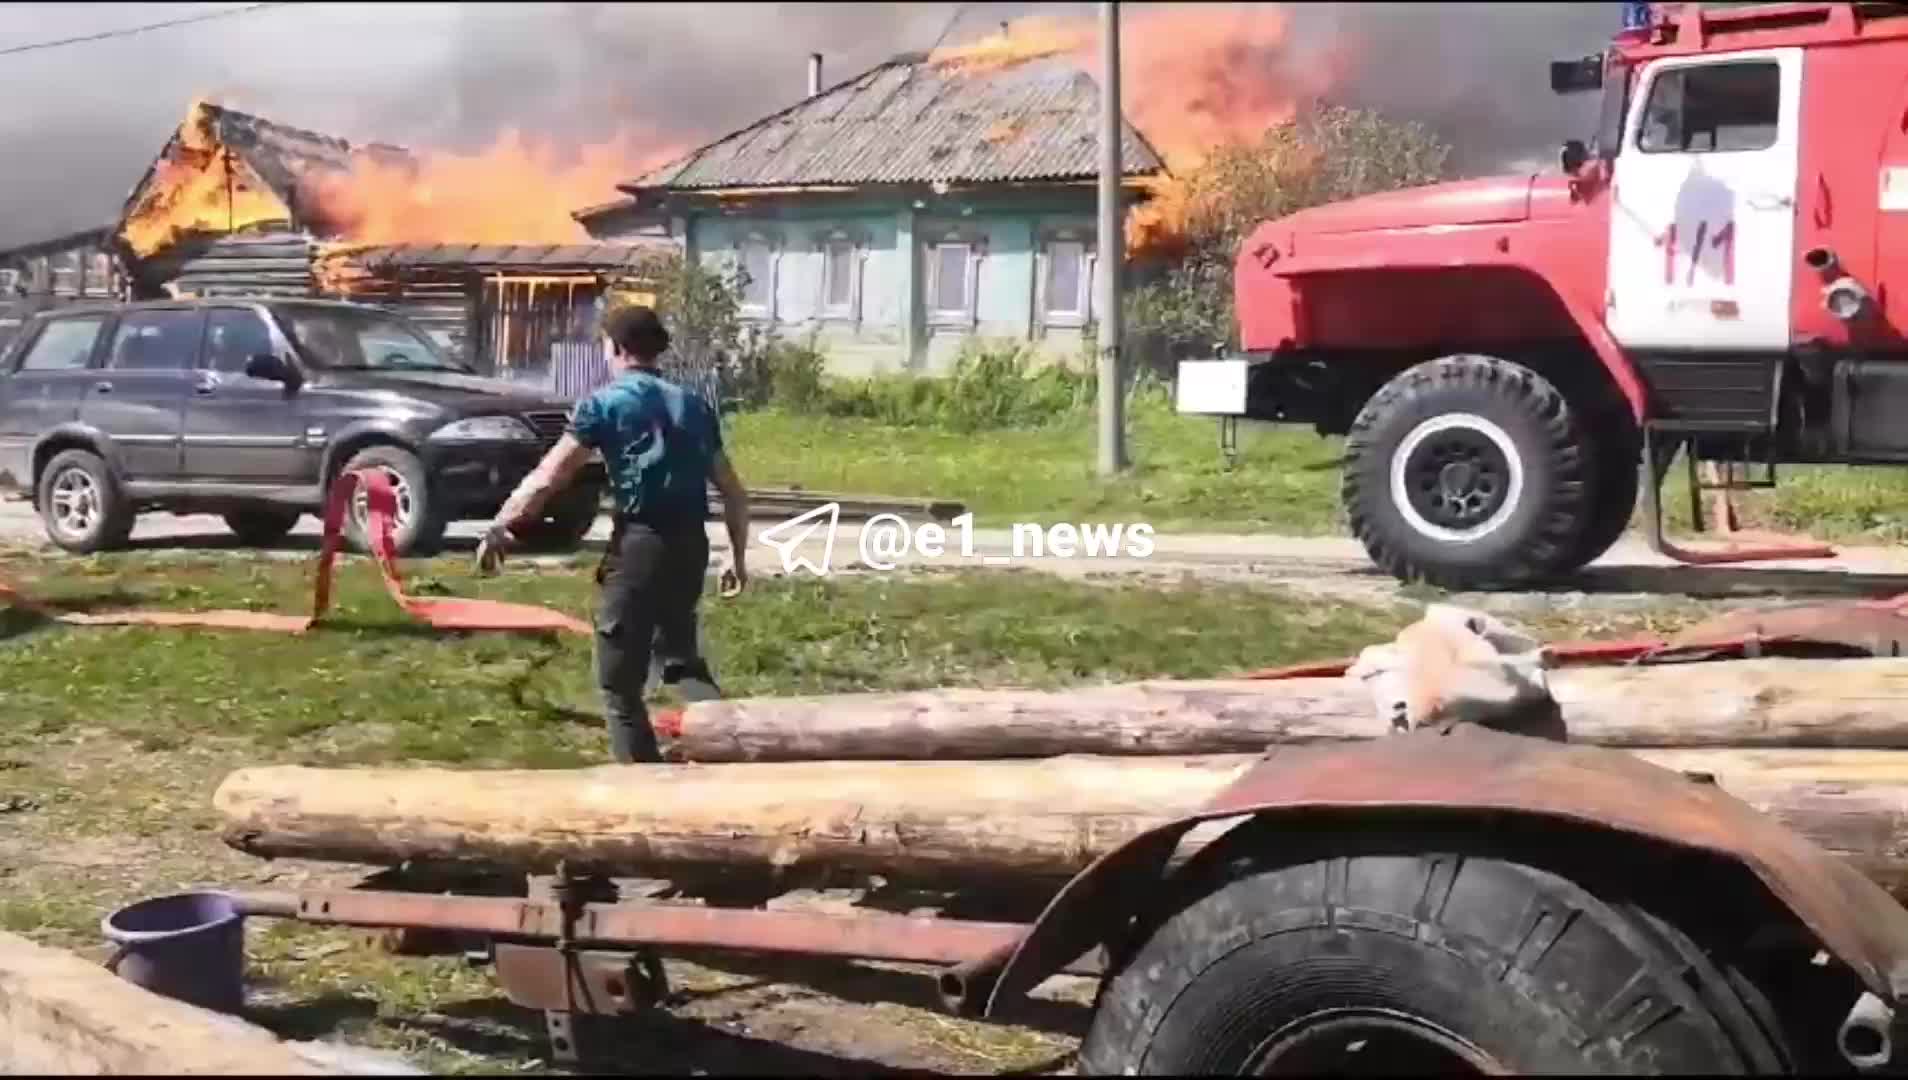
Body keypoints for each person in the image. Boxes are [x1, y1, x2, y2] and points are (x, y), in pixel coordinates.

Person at [476, 305, 750, 763]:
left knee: (619, 684)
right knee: (681, 661)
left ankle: (642, 793)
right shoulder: (694, 406)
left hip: (640, 547)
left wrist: (501, 525)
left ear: (617, 348)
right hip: (690, 547)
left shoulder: (604, 404)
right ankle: (736, 752)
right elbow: (735, 494)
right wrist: (736, 558)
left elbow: (548, 477)